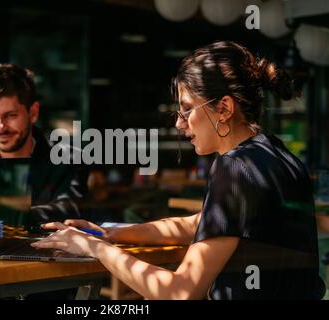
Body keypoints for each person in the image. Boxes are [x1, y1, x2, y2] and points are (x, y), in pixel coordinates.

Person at [32, 41, 326, 300]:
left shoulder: (235, 168)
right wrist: (110, 235)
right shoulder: (277, 156)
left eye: (187, 109)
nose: (179, 122)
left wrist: (94, 249)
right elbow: (198, 225)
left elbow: (180, 293)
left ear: (224, 108)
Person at [0, 63, 88, 229]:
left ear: (33, 113)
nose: (0, 127)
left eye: (11, 115)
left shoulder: (69, 160)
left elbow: (68, 212)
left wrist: (4, 220)